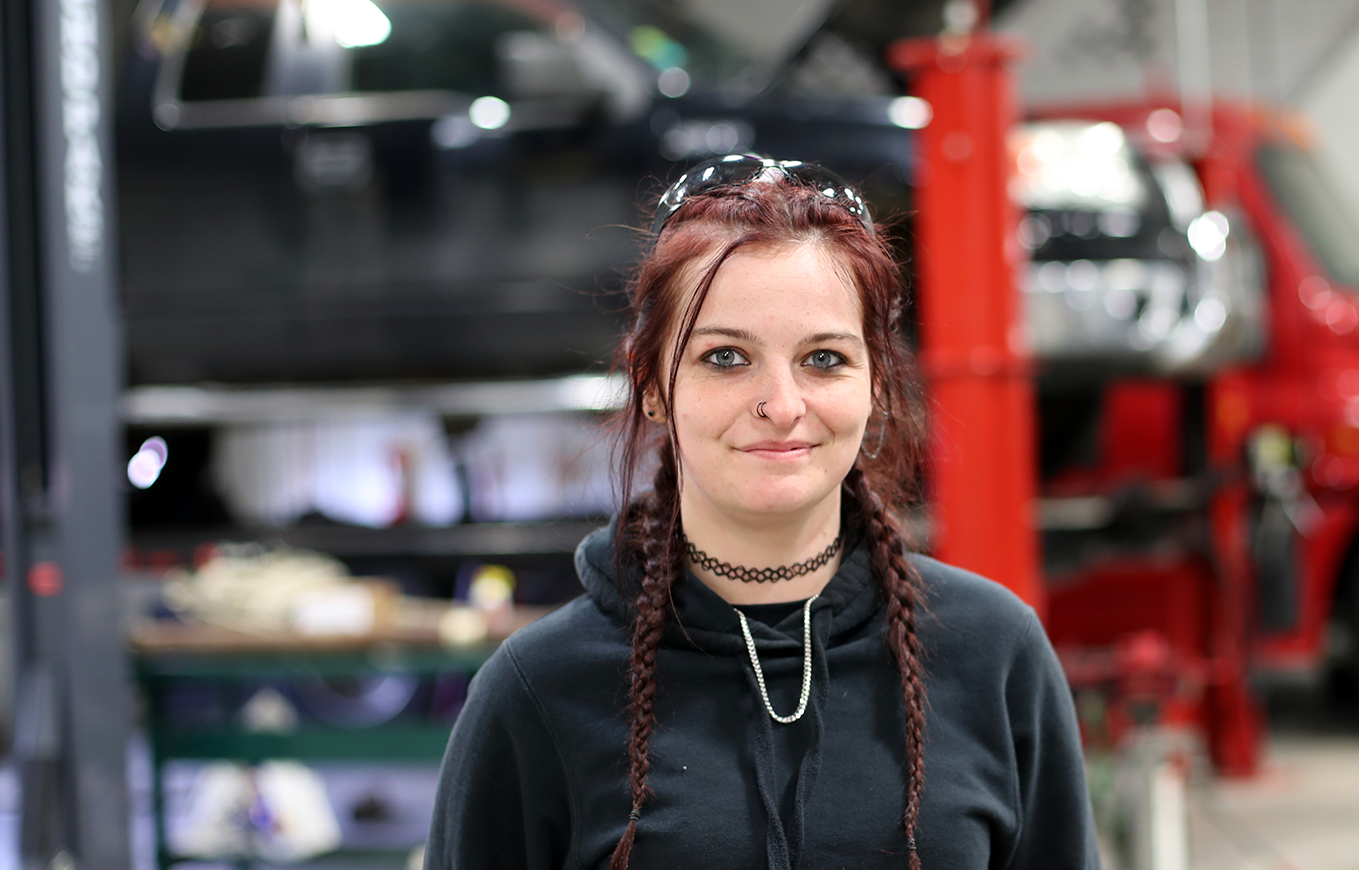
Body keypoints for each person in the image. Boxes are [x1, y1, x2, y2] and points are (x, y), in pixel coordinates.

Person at [427, 154, 1099, 870]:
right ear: (652, 383)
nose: (781, 406)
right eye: (725, 358)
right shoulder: (538, 691)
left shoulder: (994, 654)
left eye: (824, 359)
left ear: (875, 382)